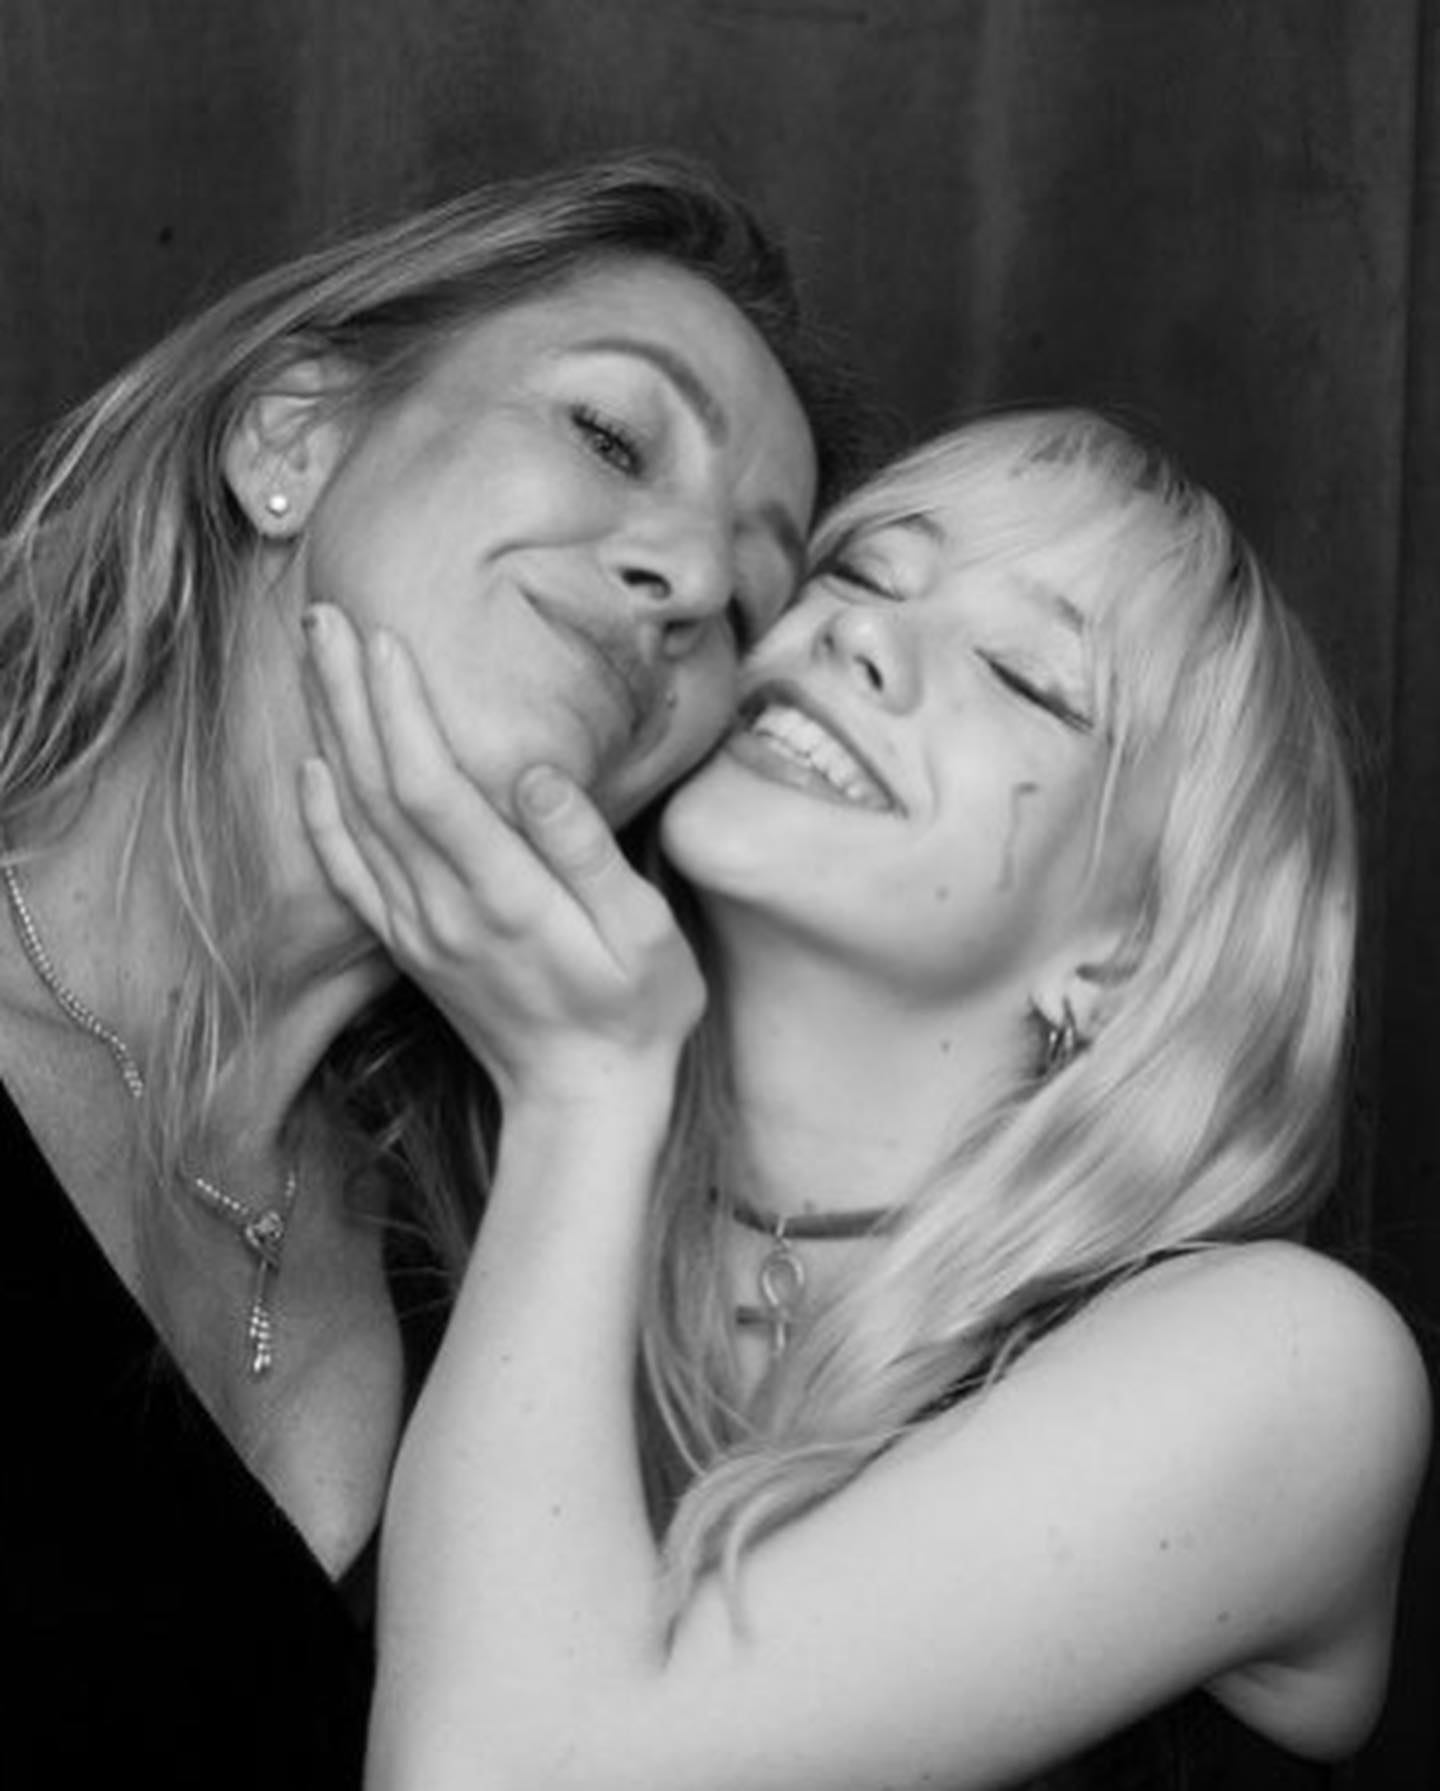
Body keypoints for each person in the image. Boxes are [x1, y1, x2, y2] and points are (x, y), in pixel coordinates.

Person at [299, 408, 1431, 1791]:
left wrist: (582, 1092)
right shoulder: (395, 1175)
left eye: (1025, 676)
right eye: (863, 572)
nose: (862, 634)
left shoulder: (1293, 1366)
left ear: (1127, 954)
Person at [0, 152, 850, 1788]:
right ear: (292, 439)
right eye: (613, 435)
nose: (689, 583)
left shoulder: (514, 1274)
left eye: (753, 597)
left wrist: (596, 1096)